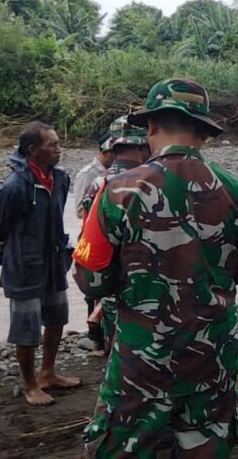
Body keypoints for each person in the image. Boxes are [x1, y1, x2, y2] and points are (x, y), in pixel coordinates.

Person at [73, 78, 238, 457]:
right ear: (203, 133)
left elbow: (90, 279)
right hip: (212, 357)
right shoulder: (237, 190)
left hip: (142, 360)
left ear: (152, 126)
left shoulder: (117, 190)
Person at [0, 121, 80, 406]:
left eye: (58, 143)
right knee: (26, 328)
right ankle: (30, 385)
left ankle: (48, 373)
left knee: (57, 318)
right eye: (53, 145)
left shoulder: (60, 179)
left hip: (54, 262)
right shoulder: (13, 188)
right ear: (33, 150)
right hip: (24, 268)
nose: (59, 150)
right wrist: (11, 259)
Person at [76, 115, 151, 354]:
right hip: (148, 294)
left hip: (109, 293)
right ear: (142, 145)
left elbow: (90, 244)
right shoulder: (150, 183)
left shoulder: (99, 184)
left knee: (117, 357)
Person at [73, 132, 116, 353]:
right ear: (106, 152)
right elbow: (80, 208)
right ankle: (95, 337)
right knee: (93, 287)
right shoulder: (88, 174)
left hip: (106, 236)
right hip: (90, 236)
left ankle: (102, 335)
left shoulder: (115, 174)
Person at [73, 134, 116, 219]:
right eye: (116, 153)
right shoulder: (87, 174)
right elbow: (80, 211)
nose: (118, 157)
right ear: (106, 153)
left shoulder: (114, 171)